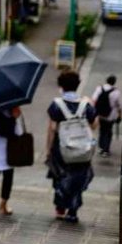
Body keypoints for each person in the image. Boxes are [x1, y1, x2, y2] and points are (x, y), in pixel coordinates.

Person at [45, 70, 97, 223]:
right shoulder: (86, 104)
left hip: (61, 148)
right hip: (82, 149)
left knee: (59, 176)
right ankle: (73, 210)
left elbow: (52, 129)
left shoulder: (56, 105)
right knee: (79, 177)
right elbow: (94, 125)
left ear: (61, 86)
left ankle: (60, 207)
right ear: (77, 85)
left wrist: (48, 149)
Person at [91, 75, 122, 157]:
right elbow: (118, 105)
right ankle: (106, 149)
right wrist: (120, 115)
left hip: (100, 114)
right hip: (110, 115)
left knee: (102, 130)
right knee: (108, 131)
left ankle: (101, 147)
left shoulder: (99, 89)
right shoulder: (116, 92)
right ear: (114, 82)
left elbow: (94, 99)